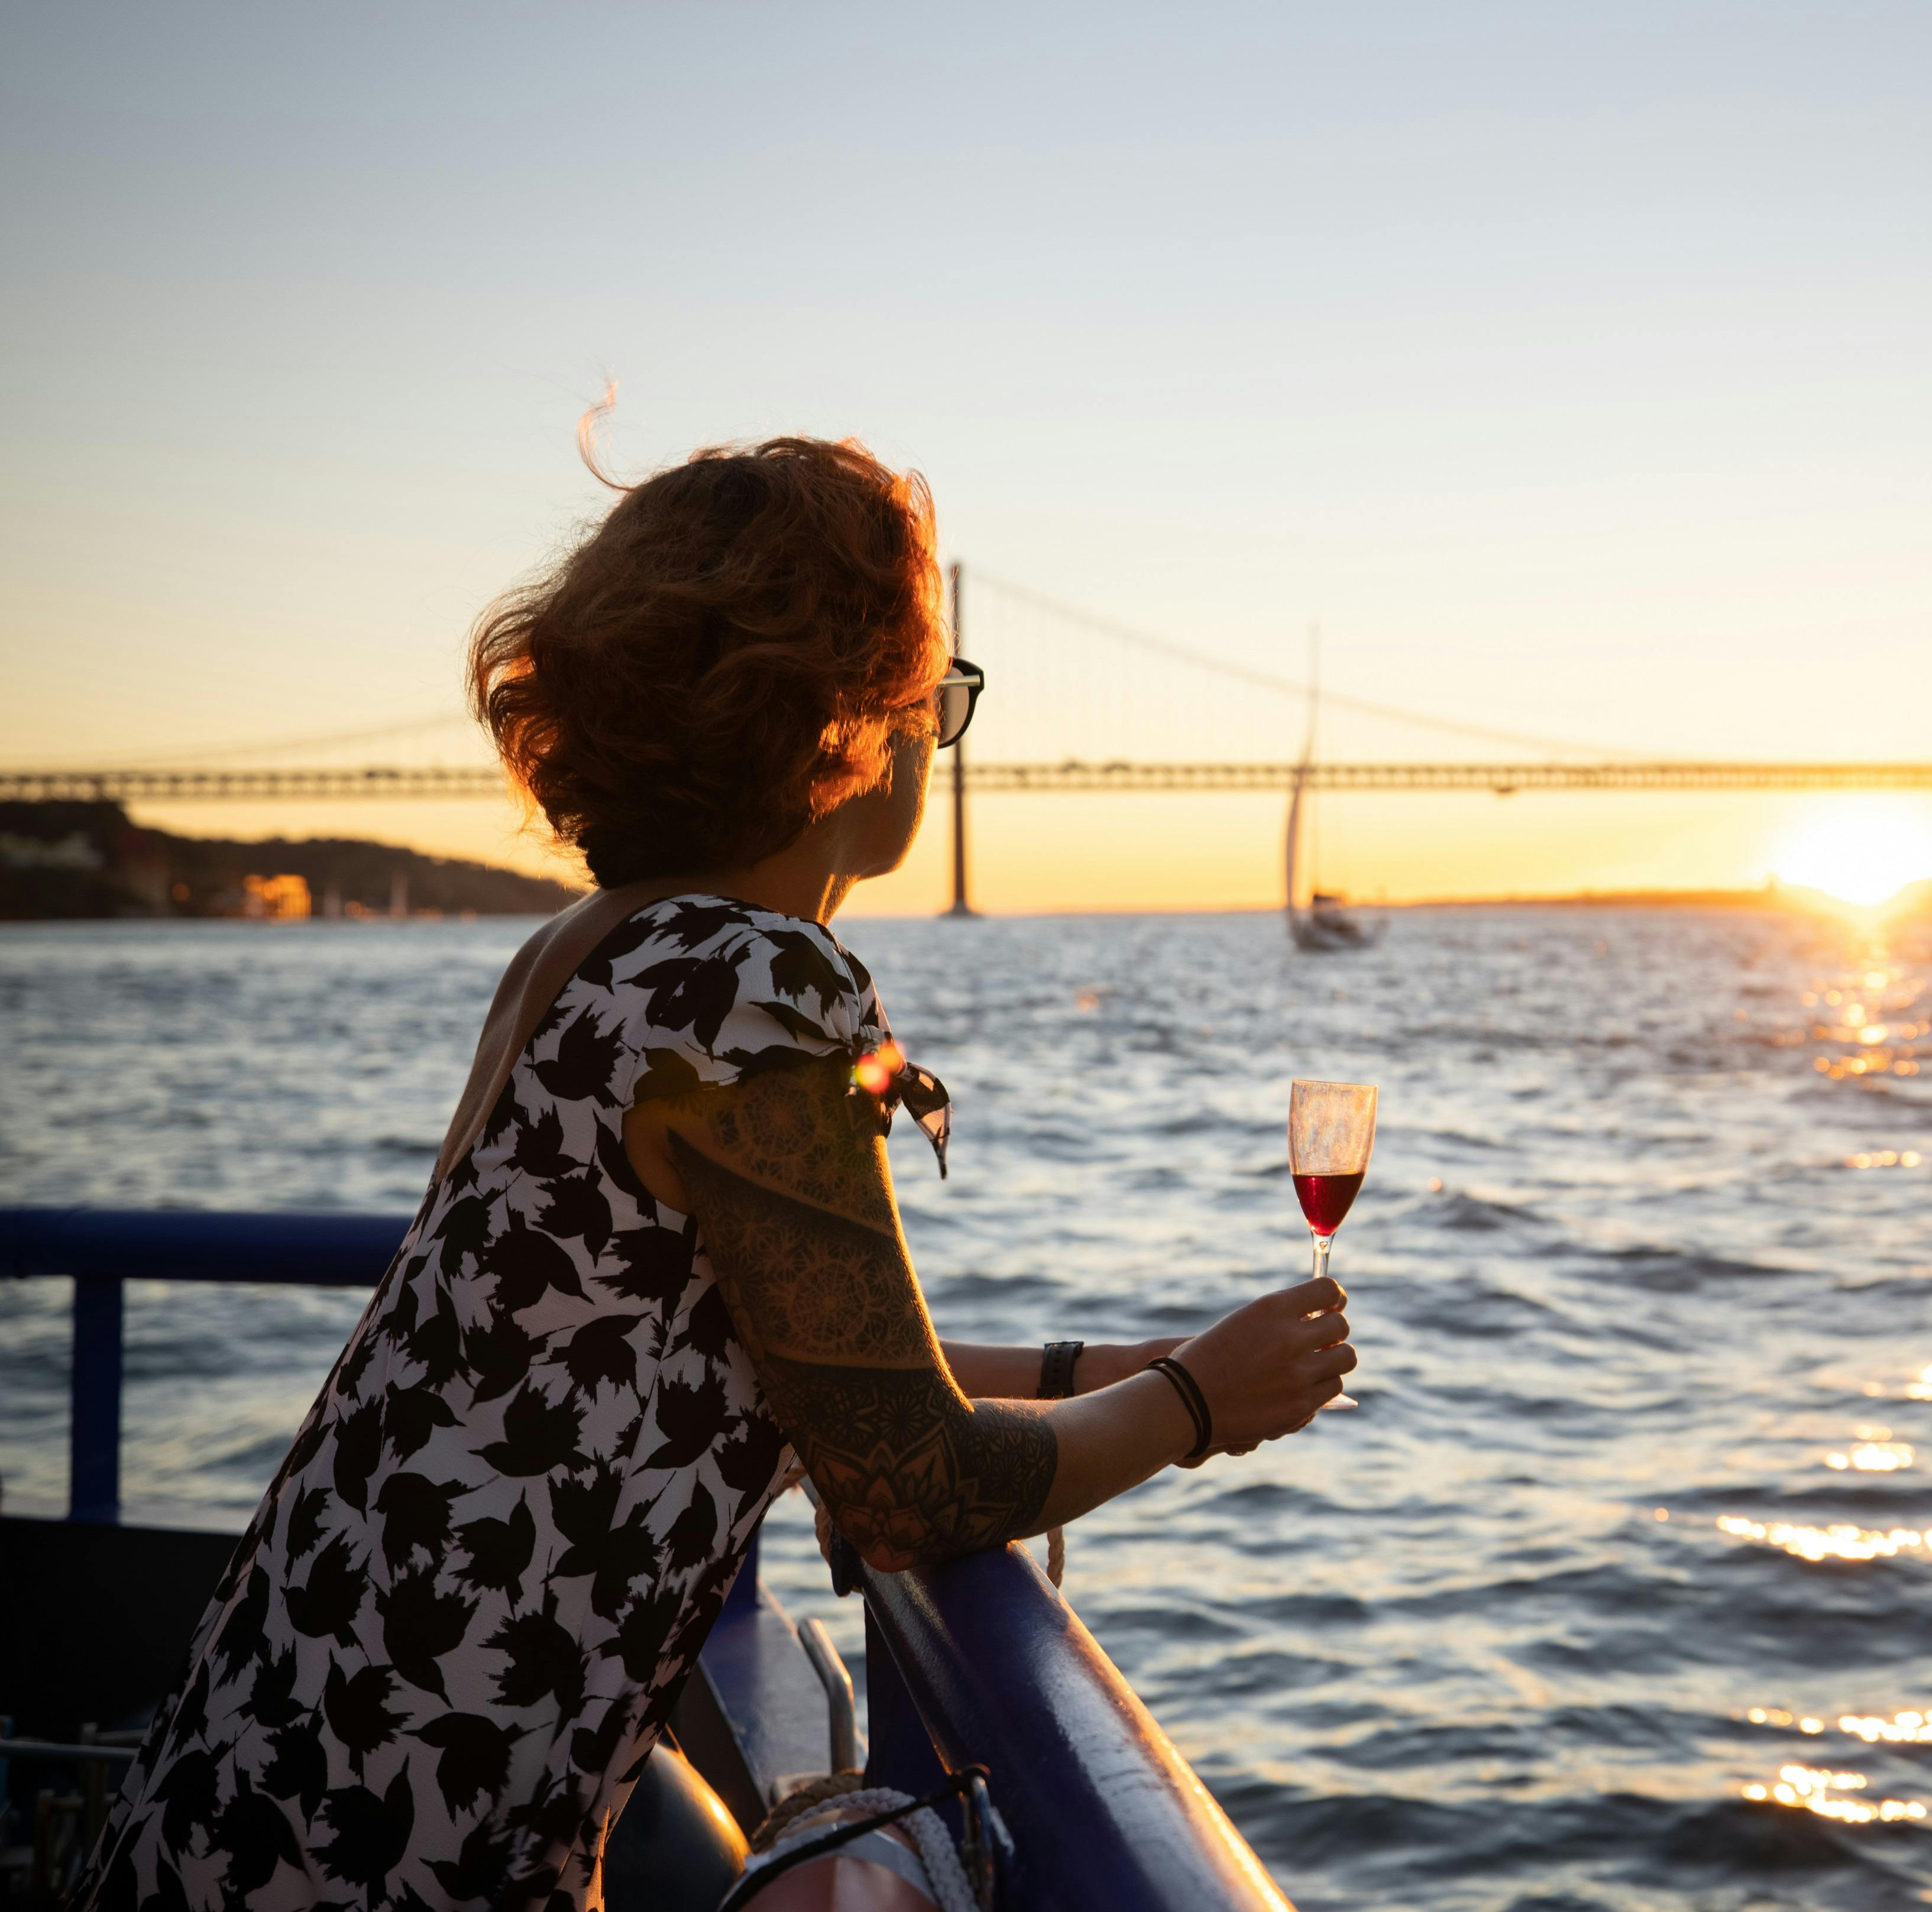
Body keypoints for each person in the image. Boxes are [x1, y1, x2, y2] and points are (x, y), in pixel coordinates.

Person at [73, 436, 1355, 1911]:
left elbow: (725, 1352)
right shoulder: (758, 985)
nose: (939, 737)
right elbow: (907, 1482)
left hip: (252, 1782)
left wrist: (1092, 1370)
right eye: (936, 698)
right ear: (840, 721)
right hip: (407, 1843)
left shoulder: (586, 949)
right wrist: (1198, 1406)